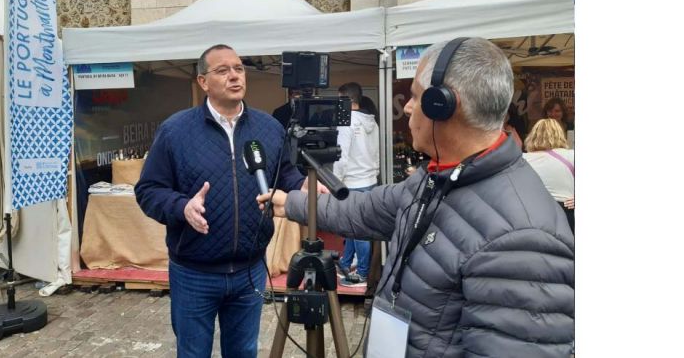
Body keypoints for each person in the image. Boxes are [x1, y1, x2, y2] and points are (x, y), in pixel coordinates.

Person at [258, 37, 574, 357]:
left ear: (445, 104)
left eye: (415, 96)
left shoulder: (523, 238)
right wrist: (292, 203)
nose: (407, 106)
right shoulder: (439, 177)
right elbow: (366, 209)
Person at [134, 44, 307, 358]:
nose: (234, 76)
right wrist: (181, 207)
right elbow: (148, 190)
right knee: (193, 353)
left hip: (250, 270)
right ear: (203, 82)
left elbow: (286, 176)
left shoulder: (269, 128)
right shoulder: (175, 131)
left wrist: (304, 186)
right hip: (194, 274)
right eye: (222, 70)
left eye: (239, 68)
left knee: (243, 352)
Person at [334, 82, 380, 288]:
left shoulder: (346, 122)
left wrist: (335, 181)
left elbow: (341, 157)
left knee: (357, 230)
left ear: (347, 100)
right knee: (353, 227)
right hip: (369, 180)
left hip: (352, 181)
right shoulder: (371, 121)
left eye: (338, 99)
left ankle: (361, 275)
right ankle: (345, 264)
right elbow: (377, 152)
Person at [523, 118, 575, 232]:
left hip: (532, 212)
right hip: (566, 210)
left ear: (533, 135)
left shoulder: (522, 159)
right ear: (560, 135)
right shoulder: (571, 156)